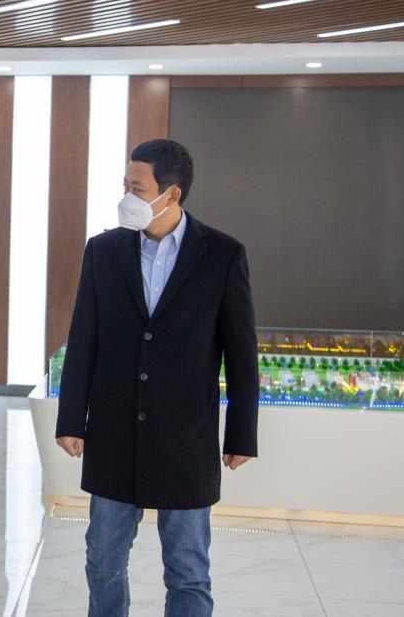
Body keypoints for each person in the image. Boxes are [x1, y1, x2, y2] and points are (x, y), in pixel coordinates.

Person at [55, 139, 258, 617]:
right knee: (103, 562)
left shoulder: (222, 254)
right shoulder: (103, 250)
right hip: (113, 433)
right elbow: (83, 339)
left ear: (172, 193)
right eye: (125, 185)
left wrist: (242, 435)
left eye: (137, 188)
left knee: (188, 570)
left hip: (185, 437)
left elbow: (242, 353)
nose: (127, 196)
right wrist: (71, 420)